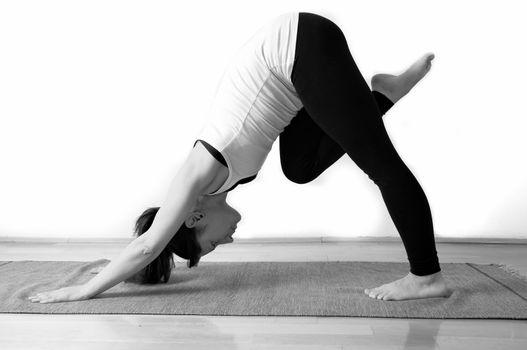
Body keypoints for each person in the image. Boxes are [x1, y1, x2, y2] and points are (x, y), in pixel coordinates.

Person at [28, 12, 452, 304]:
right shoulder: (221, 183)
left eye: (212, 243)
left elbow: (146, 246)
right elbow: (146, 251)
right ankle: (381, 95)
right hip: (294, 74)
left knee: (384, 169)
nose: (226, 242)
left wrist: (81, 291)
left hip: (298, 47)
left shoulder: (195, 176)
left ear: (193, 218)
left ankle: (426, 276)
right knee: (299, 169)